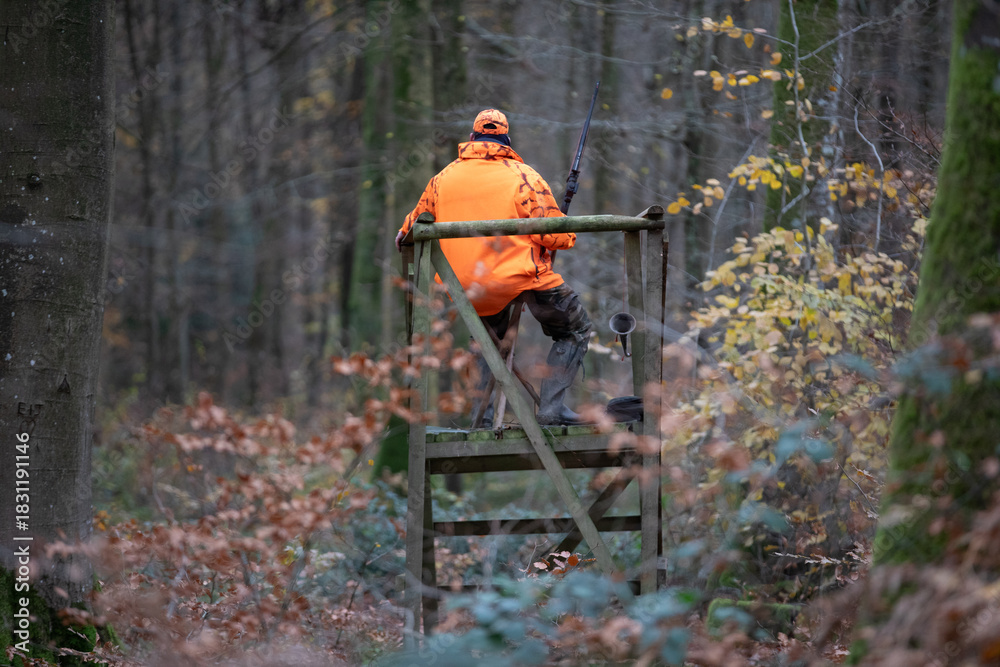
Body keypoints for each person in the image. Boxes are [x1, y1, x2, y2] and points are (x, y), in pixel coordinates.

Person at [395, 109, 592, 426]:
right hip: (518, 280)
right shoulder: (524, 176)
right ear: (507, 141)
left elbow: (406, 232)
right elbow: (556, 236)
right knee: (575, 328)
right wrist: (566, 234)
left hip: (463, 290)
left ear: (472, 139)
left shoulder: (441, 179)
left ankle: (482, 419)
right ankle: (552, 409)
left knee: (486, 341)